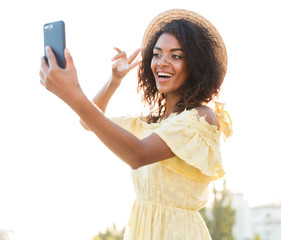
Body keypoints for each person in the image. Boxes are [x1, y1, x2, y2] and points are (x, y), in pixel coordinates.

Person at [40, 8, 232, 240]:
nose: (162, 62)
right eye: (157, 54)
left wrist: (72, 93)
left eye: (176, 56)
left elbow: (138, 155)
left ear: (196, 66)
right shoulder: (152, 125)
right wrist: (114, 81)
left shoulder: (201, 118)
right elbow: (88, 122)